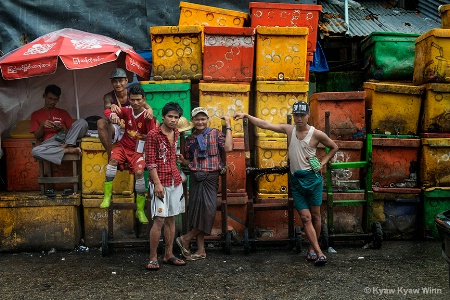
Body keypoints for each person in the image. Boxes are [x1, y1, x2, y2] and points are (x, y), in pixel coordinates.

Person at [233, 101, 338, 266]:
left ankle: (312, 249)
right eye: (296, 115)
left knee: (316, 216)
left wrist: (322, 163)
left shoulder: (316, 134)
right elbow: (266, 125)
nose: (299, 118)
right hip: (296, 180)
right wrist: (246, 115)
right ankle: (319, 252)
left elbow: (333, 147)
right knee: (305, 217)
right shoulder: (290, 130)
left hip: (313, 179)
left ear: (308, 115)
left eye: (302, 115)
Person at [176, 107, 233, 261]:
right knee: (197, 213)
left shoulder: (215, 133)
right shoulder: (190, 140)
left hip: (211, 177)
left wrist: (228, 125)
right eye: (197, 119)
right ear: (193, 121)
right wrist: (183, 161)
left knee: (208, 211)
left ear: (207, 120)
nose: (200, 122)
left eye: (203, 119)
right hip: (196, 176)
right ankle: (201, 250)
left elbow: (228, 148)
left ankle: (186, 238)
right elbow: (190, 162)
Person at [99, 84, 156, 226]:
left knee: (139, 173)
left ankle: (140, 210)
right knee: (112, 160)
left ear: (144, 99)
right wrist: (112, 113)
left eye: (138, 100)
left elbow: (153, 136)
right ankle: (106, 197)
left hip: (138, 151)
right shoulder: (126, 110)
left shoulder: (148, 116)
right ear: (129, 99)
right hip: (123, 146)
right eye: (132, 100)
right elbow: (107, 111)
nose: (135, 103)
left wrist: (141, 135)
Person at [144, 102, 187, 270]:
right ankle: (153, 257)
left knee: (171, 219)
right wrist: (157, 184)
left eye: (176, 117)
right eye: (170, 116)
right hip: (159, 182)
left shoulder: (176, 133)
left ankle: (168, 254)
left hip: (174, 180)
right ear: (163, 116)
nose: (173, 120)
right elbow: (150, 163)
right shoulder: (153, 134)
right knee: (159, 220)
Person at [97, 68, 153, 153]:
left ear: (126, 81)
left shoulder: (132, 93)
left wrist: (150, 110)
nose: (118, 84)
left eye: (120, 81)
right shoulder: (108, 97)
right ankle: (110, 153)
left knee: (155, 122)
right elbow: (107, 110)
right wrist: (112, 113)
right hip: (118, 125)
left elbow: (146, 106)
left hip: (134, 124)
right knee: (100, 122)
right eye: (115, 81)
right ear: (112, 83)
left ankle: (150, 153)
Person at [31, 84, 88, 165]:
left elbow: (73, 130)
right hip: (51, 142)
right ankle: (67, 149)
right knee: (35, 151)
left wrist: (62, 129)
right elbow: (37, 136)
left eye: (55, 99)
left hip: (66, 137)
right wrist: (42, 126)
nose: (52, 102)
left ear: (58, 99)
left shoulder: (63, 112)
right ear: (44, 96)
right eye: (50, 98)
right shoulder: (36, 114)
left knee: (82, 122)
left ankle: (66, 145)